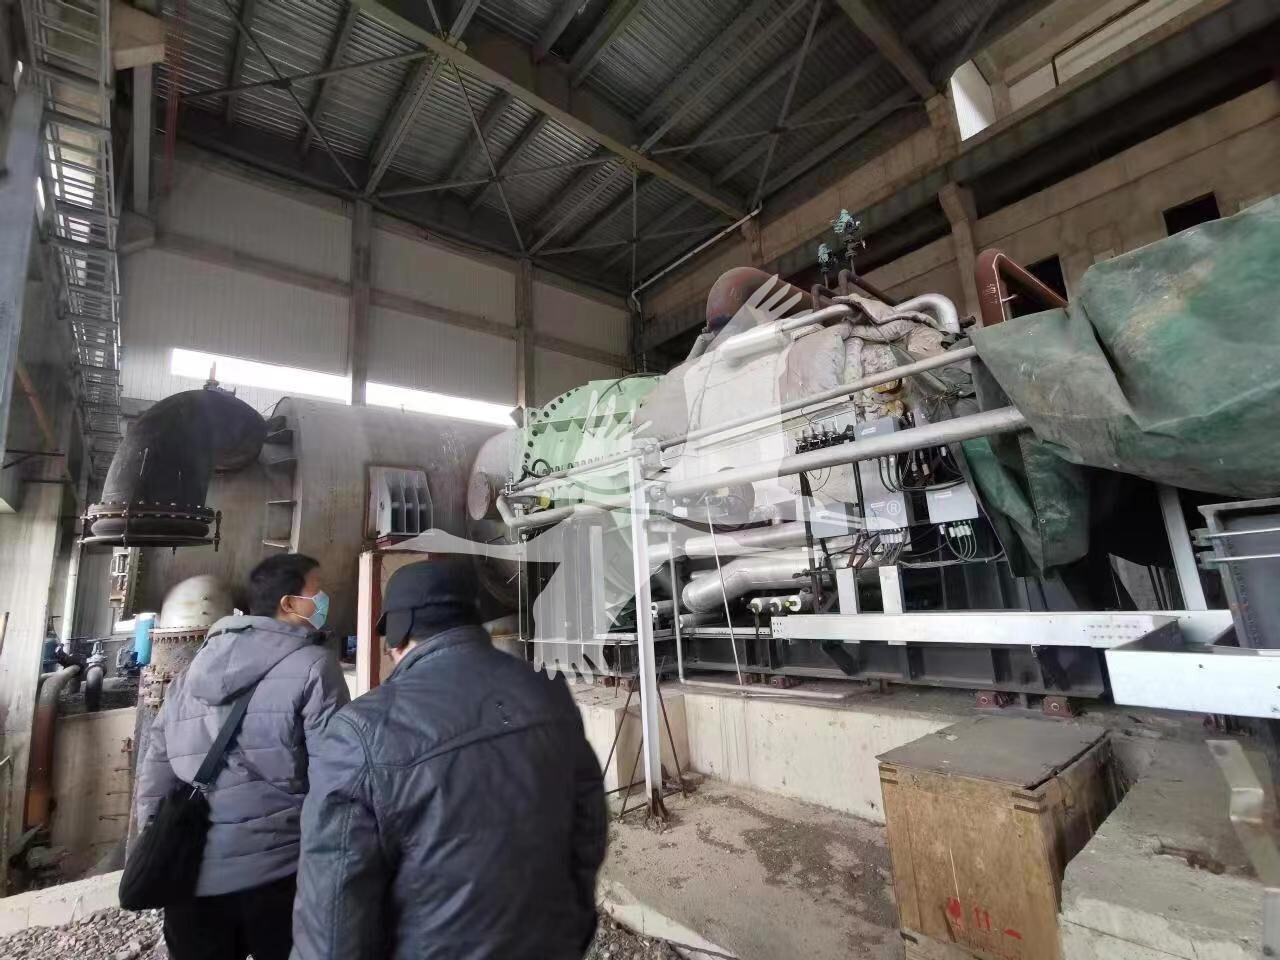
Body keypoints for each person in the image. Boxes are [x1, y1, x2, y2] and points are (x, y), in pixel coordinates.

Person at [293, 557, 607, 960]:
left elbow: (334, 918)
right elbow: (588, 828)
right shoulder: (546, 691)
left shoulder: (360, 732)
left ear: (397, 636)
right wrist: (573, 929)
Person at [134, 553, 350, 960]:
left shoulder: (192, 671)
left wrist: (158, 844)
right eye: (317, 591)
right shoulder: (315, 668)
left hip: (191, 876)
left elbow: (156, 770)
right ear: (289, 604)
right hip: (279, 875)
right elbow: (335, 777)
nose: (323, 600)